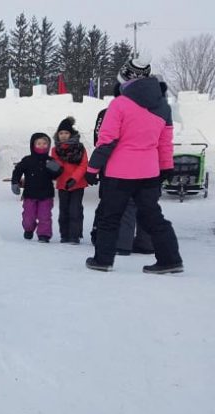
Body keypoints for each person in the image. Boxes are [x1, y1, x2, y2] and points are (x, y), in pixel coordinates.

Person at [84, 57, 182, 273]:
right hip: (149, 172)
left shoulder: (119, 104)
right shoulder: (162, 106)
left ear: (124, 77)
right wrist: (166, 167)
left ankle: (103, 260)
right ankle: (170, 260)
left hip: (119, 174)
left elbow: (107, 140)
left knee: (110, 217)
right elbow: (165, 142)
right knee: (153, 217)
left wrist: (92, 168)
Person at [90, 83, 155, 256]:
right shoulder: (152, 111)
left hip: (117, 166)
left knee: (117, 204)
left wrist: (95, 166)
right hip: (149, 166)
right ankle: (146, 242)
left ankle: (119, 242)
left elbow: (101, 141)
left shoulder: (110, 113)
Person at [11, 133, 63, 242]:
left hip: (46, 195)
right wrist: (15, 182)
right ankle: (29, 229)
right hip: (30, 194)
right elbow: (17, 171)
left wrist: (55, 169)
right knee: (28, 217)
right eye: (39, 143)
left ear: (48, 145)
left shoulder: (50, 160)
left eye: (45, 143)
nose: (42, 146)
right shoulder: (27, 160)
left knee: (45, 216)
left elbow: (56, 174)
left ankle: (44, 234)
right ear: (33, 145)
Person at [51, 117, 88, 244]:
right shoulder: (55, 150)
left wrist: (74, 179)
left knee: (75, 210)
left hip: (77, 184)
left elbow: (83, 165)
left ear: (71, 134)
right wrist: (52, 168)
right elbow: (56, 165)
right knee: (64, 210)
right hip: (63, 184)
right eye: (61, 133)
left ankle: (75, 235)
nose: (63, 136)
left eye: (66, 133)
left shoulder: (80, 148)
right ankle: (64, 234)